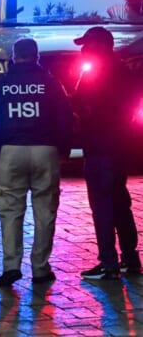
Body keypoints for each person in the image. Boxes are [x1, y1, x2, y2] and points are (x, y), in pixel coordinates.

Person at [0, 38, 73, 287]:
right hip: (45, 150)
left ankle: (11, 266)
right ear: (37, 56)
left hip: (11, 151)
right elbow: (66, 118)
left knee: (10, 210)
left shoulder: (2, 84)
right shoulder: (51, 83)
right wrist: (63, 150)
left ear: (14, 56)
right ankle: (41, 268)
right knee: (45, 211)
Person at [72, 26, 143, 280]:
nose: (82, 51)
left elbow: (83, 106)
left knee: (101, 204)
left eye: (87, 46)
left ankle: (108, 263)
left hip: (99, 146)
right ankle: (130, 258)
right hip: (121, 146)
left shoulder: (95, 74)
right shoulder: (124, 70)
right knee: (120, 201)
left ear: (99, 47)